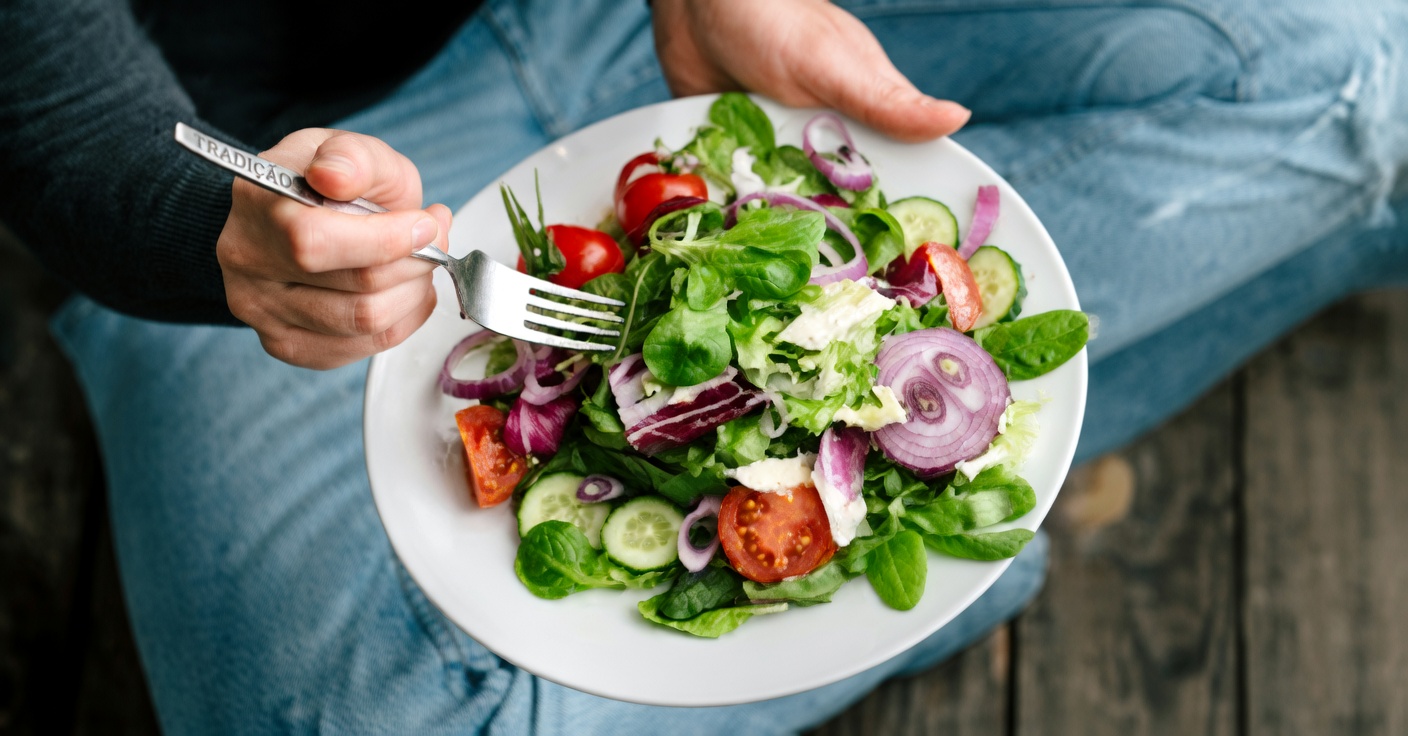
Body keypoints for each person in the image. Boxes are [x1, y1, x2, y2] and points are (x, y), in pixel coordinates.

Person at [3, 0, 1405, 732]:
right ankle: (971, 503)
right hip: (272, 182)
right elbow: (48, 103)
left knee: (1348, 64)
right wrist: (214, 236)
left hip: (632, 15)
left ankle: (932, 504)